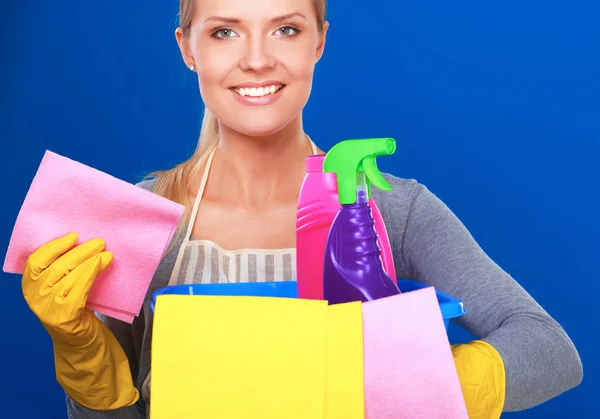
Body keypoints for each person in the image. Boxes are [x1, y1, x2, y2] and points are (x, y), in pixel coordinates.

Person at [21, 0, 583, 418]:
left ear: (318, 42)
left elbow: (551, 351)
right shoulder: (136, 219)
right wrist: (82, 355)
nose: (258, 60)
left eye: (286, 29)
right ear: (188, 49)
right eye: (224, 33)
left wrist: (415, 384)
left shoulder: (390, 209)